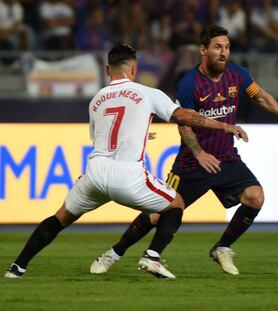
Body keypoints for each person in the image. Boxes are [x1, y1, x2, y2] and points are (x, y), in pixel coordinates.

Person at [4, 43, 248, 279]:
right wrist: (223, 125)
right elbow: (183, 116)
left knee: (60, 218)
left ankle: (17, 267)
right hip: (128, 175)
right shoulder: (147, 93)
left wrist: (140, 132)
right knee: (176, 204)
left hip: (95, 175)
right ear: (134, 69)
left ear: (107, 69)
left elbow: (102, 136)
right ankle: (152, 256)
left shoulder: (96, 100)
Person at [89, 25, 278, 277]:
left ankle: (222, 247)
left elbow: (262, 96)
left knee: (255, 197)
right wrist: (199, 153)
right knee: (156, 215)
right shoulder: (189, 84)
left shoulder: (237, 75)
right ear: (203, 50)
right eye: (218, 47)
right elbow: (183, 123)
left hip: (226, 158)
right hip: (191, 163)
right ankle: (114, 253)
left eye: (227, 47)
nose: (224, 53)